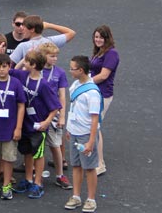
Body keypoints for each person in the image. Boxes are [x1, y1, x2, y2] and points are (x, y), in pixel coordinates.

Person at [11, 51, 61, 199]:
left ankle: (38, 183)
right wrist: (23, 59)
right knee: (27, 152)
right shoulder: (23, 76)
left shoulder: (44, 84)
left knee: (38, 154)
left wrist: (46, 122)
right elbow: (13, 70)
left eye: (26, 61)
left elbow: (55, 107)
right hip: (24, 122)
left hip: (38, 125)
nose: (24, 63)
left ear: (33, 65)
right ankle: (28, 179)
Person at [0, 54, 27, 200]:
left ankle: (7, 184)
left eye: (4, 66)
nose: (1, 70)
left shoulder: (15, 83)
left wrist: (18, 127)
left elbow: (21, 105)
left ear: (9, 66)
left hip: (10, 128)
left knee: (8, 158)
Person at [63, 55, 102, 213]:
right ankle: (76, 196)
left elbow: (95, 119)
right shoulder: (75, 85)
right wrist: (69, 128)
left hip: (86, 134)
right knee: (76, 165)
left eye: (72, 68)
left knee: (90, 168)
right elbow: (73, 109)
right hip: (74, 132)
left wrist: (91, 141)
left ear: (81, 70)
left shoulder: (92, 93)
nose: (70, 70)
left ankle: (91, 199)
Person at [37, 42, 72, 190]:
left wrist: (62, 117)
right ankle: (35, 175)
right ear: (43, 56)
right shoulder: (35, 70)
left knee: (55, 145)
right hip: (38, 113)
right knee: (37, 146)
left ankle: (59, 175)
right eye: (52, 56)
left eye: (56, 56)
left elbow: (62, 96)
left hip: (54, 114)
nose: (55, 59)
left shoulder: (60, 73)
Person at [89, 25, 118, 177]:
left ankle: (100, 164)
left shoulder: (111, 54)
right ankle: (92, 157)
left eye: (101, 37)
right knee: (92, 125)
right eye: (96, 37)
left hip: (103, 94)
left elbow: (104, 75)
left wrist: (85, 83)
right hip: (94, 93)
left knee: (95, 126)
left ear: (107, 38)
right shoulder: (99, 52)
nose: (98, 40)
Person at [9, 15, 76, 64]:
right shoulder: (50, 42)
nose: (22, 29)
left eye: (24, 27)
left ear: (32, 29)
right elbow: (71, 33)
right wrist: (49, 25)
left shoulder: (23, 46)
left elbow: (8, 64)